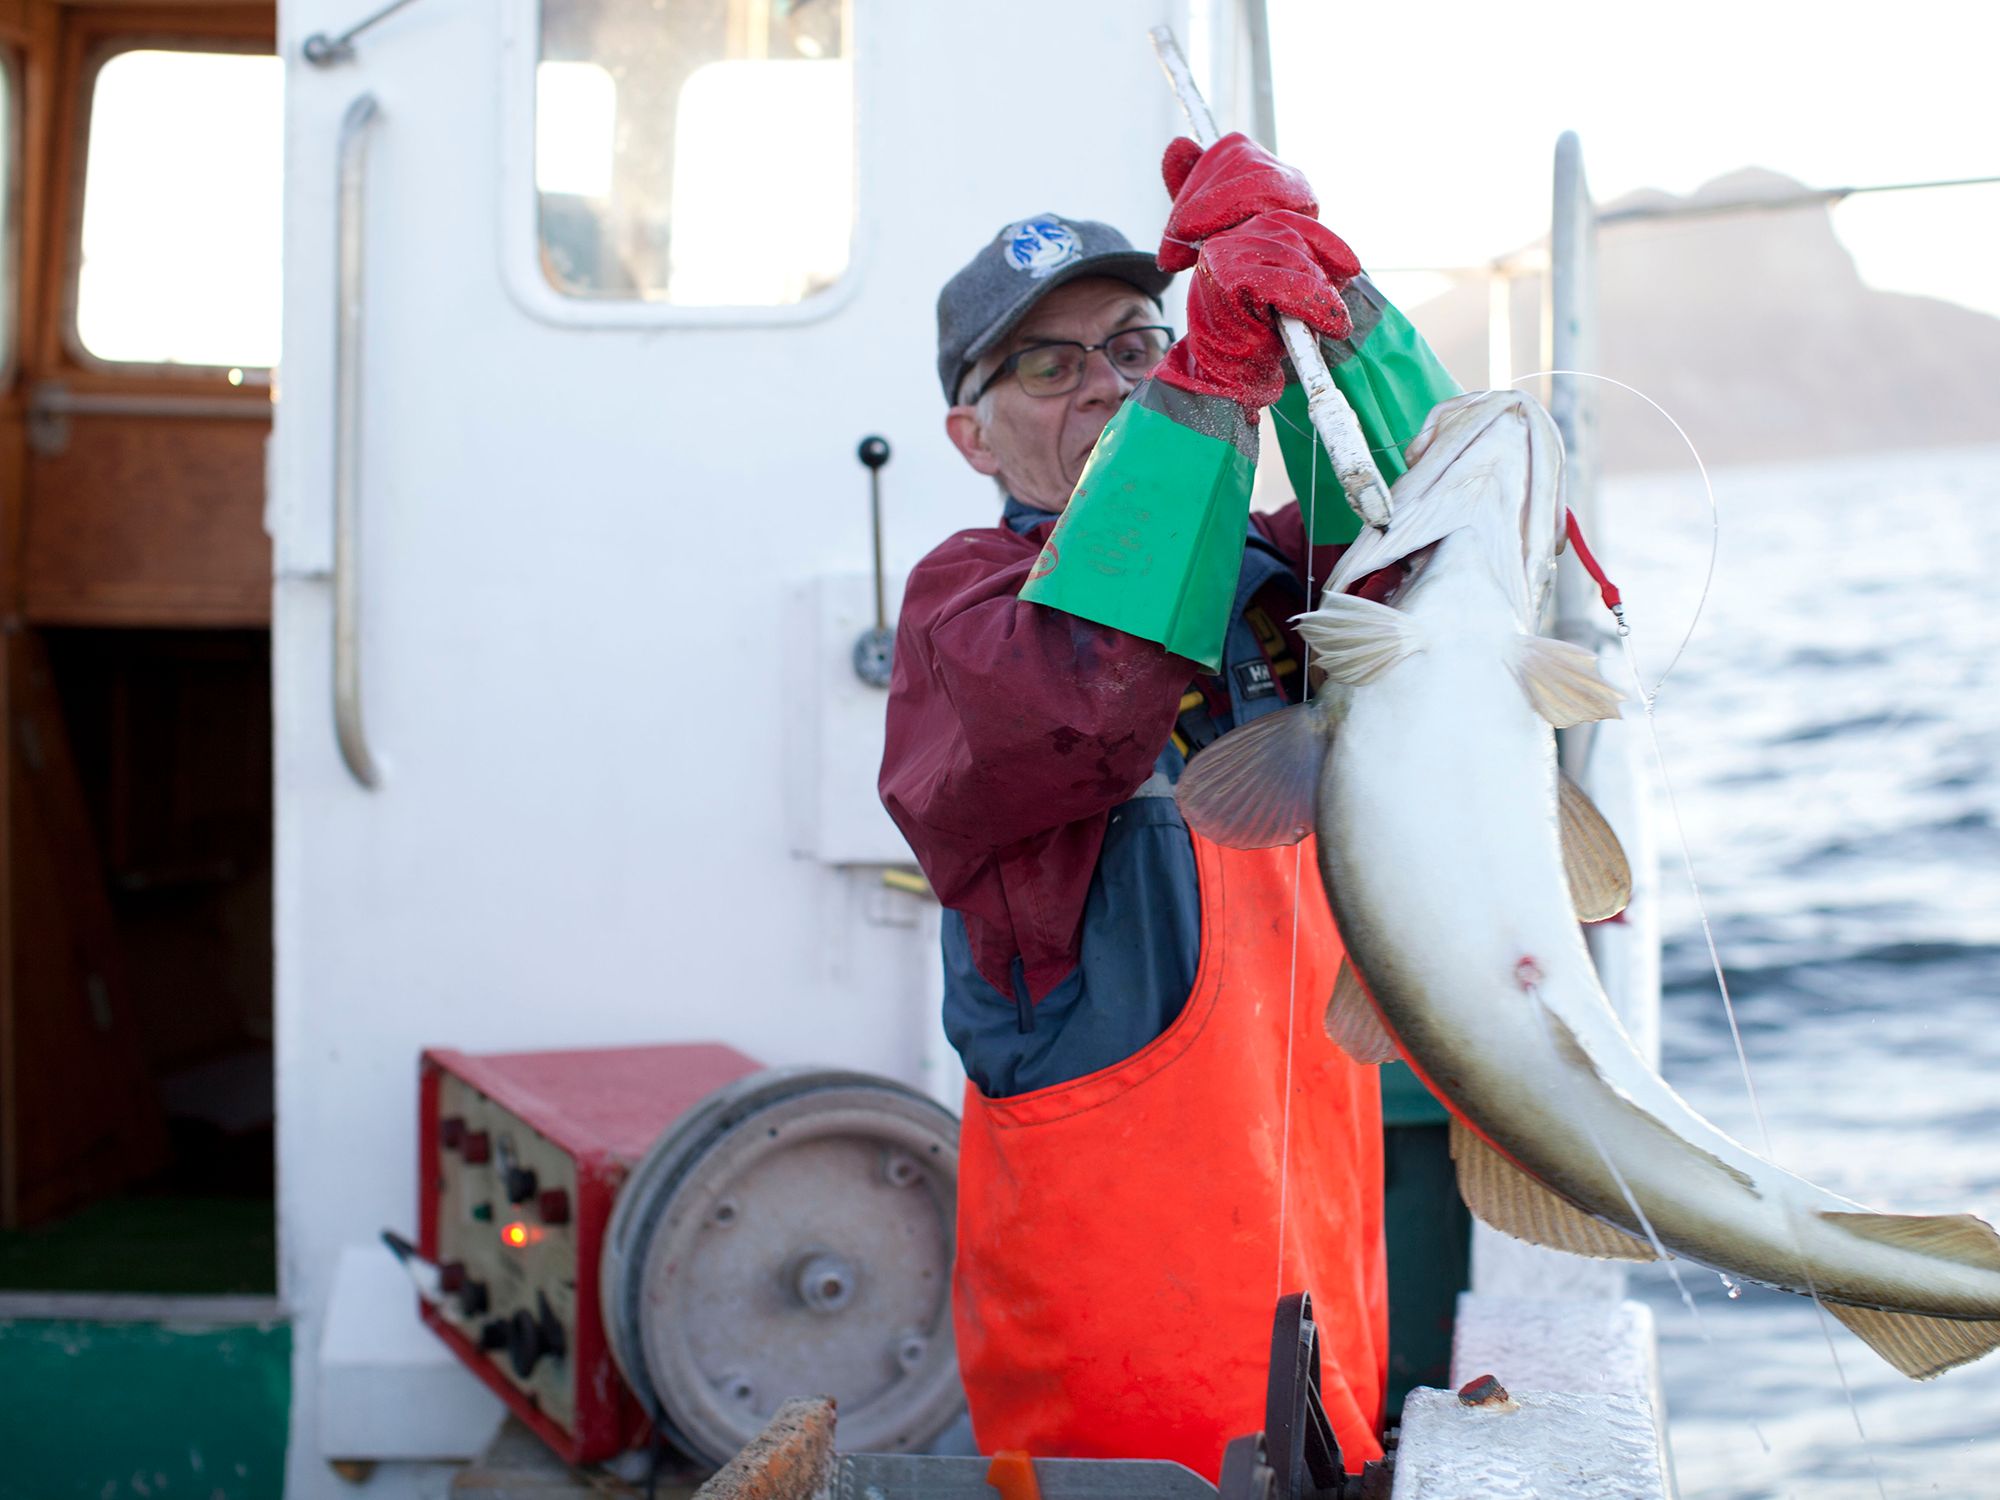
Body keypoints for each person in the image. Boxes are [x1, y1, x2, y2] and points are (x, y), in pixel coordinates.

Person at [878, 136, 1459, 1482]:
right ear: (971, 434)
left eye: (1137, 342)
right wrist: (1196, 394)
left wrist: (1341, 305)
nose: (1107, 381)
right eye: (1047, 363)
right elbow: (1086, 691)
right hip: (1117, 1398)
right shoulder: (963, 613)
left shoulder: (1279, 584)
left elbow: (1447, 546)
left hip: (1326, 1327)